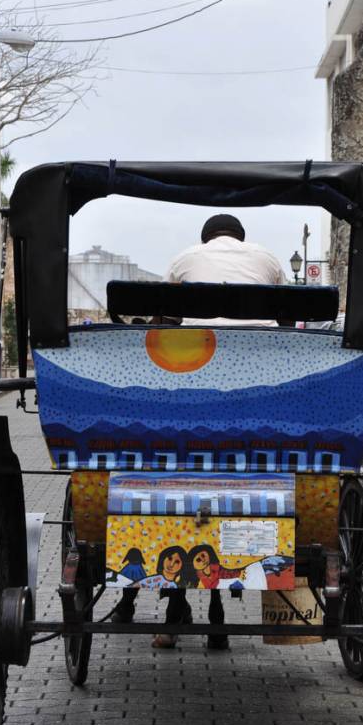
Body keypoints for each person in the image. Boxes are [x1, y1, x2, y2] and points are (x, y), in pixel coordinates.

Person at [111, 214, 287, 648]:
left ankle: (167, 610)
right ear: (242, 239)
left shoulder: (185, 259)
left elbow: (163, 323)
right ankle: (213, 615)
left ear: (205, 240)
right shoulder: (267, 260)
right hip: (260, 388)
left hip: (200, 383)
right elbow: (286, 323)